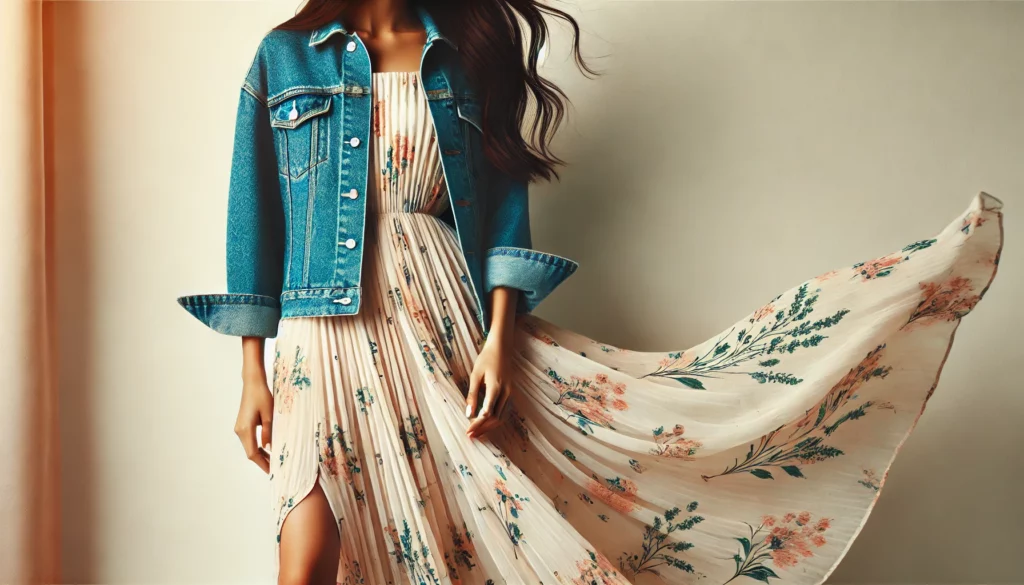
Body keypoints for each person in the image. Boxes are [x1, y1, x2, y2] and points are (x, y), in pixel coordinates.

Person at [176, 1, 1006, 584]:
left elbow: (504, 213)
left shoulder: (462, 60)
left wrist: (500, 338)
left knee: (458, 535)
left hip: (446, 325)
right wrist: (253, 369)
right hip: (323, 338)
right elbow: (253, 217)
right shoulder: (283, 56)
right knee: (304, 561)